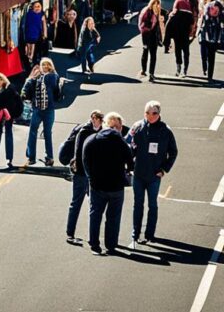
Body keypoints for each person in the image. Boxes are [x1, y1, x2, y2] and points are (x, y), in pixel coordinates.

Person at [127, 100, 178, 247]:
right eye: (147, 113)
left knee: (152, 205)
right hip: (139, 174)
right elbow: (127, 146)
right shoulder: (137, 127)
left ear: (159, 113)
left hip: (154, 175)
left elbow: (173, 152)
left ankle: (150, 234)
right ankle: (135, 233)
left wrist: (163, 170)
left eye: (154, 113)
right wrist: (130, 165)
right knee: (138, 204)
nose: (150, 116)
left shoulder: (165, 131)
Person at [82, 112, 133, 256]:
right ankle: (111, 244)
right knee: (113, 217)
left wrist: (91, 178)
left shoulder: (91, 140)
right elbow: (131, 163)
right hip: (116, 187)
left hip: (97, 185)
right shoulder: (122, 143)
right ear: (119, 127)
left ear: (105, 124)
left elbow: (85, 161)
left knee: (95, 215)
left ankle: (94, 244)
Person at [66, 111, 103, 245]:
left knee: (94, 204)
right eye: (95, 118)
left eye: (99, 119)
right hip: (81, 173)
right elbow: (78, 153)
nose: (97, 121)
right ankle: (70, 233)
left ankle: (92, 236)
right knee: (76, 202)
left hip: (93, 174)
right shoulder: (84, 131)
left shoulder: (102, 131)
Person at [22, 58, 61, 166]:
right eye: (42, 65)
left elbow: (56, 90)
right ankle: (31, 157)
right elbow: (26, 89)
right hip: (37, 109)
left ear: (50, 66)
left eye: (47, 65)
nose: (44, 67)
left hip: (49, 110)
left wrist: (39, 76)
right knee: (33, 132)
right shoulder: (36, 78)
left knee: (47, 133)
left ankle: (49, 157)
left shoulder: (53, 77)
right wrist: (30, 78)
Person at [164, 0, 198, 77]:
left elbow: (195, 16)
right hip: (178, 30)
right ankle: (179, 68)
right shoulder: (179, 0)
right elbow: (174, 10)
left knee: (186, 52)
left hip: (187, 30)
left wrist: (193, 31)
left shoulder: (194, 1)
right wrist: (172, 13)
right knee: (178, 50)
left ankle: (185, 70)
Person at [0, 73, 20, 169]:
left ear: (3, 81)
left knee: (8, 135)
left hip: (6, 115)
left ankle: (9, 159)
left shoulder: (6, 90)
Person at [198, 0, 224, 84]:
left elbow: (205, 18)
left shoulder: (209, 6)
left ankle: (207, 72)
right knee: (211, 56)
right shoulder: (218, 6)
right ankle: (209, 74)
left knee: (207, 54)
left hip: (206, 34)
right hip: (213, 35)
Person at [138, 0, 165, 81]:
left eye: (158, 3)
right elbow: (142, 23)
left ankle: (151, 73)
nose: (157, 5)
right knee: (145, 51)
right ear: (152, 3)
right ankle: (143, 70)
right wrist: (146, 31)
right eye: (155, 3)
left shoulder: (159, 12)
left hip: (154, 36)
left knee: (153, 55)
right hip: (146, 35)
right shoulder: (147, 11)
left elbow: (161, 23)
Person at [23, 1, 47, 66]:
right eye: (35, 7)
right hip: (29, 36)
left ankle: (34, 60)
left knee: (36, 51)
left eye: (38, 6)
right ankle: (30, 60)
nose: (37, 8)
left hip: (39, 36)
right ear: (32, 8)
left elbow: (44, 25)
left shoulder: (42, 15)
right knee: (29, 50)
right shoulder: (29, 14)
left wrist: (45, 34)